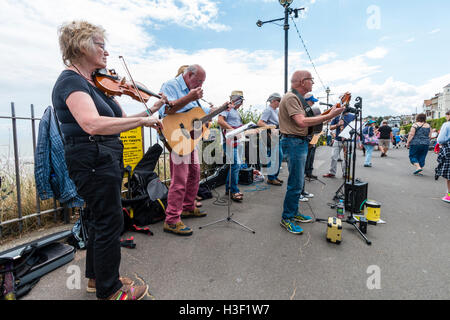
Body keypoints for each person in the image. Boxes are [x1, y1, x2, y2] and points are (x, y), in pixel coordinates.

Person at [53, 21, 167, 300]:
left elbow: (114, 120)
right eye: (101, 45)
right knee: (109, 221)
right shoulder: (71, 81)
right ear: (82, 46)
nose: (106, 52)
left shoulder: (90, 82)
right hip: (93, 158)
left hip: (100, 157)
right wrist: (143, 119)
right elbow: (91, 124)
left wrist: (149, 113)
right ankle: (111, 290)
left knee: (97, 218)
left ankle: (97, 279)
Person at [159, 64, 223, 236]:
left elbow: (197, 113)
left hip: (189, 138)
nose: (200, 85)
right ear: (189, 75)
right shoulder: (171, 85)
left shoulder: (193, 92)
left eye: (203, 82)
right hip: (176, 136)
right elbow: (165, 109)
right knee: (179, 179)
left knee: (195, 173)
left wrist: (217, 110)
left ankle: (187, 207)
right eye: (199, 81)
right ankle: (171, 220)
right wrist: (189, 97)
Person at [278, 70, 344, 234]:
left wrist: (330, 113)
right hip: (294, 142)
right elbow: (301, 122)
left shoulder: (297, 98)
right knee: (295, 183)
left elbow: (309, 119)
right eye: (311, 80)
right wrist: (330, 116)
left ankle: (293, 212)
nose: (313, 83)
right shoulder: (292, 98)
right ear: (302, 81)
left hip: (297, 142)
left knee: (298, 182)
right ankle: (287, 218)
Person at [218, 91, 246, 201]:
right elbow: (220, 121)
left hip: (237, 141)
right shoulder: (227, 108)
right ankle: (233, 190)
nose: (242, 103)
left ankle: (229, 189)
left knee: (235, 166)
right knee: (235, 165)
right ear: (237, 99)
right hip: (230, 142)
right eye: (241, 100)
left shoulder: (236, 112)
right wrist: (234, 131)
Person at [257, 93, 283, 186]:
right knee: (274, 157)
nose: (280, 102)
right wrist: (270, 128)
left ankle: (274, 176)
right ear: (273, 101)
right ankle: (271, 178)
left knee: (279, 156)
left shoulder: (276, 111)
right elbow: (260, 122)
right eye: (279, 101)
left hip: (277, 136)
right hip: (270, 137)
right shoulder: (268, 110)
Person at [322, 109, 356, 178]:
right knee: (333, 157)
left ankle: (345, 173)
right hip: (337, 140)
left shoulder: (352, 116)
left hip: (347, 140)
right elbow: (331, 127)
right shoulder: (336, 116)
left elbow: (356, 126)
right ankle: (332, 172)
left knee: (346, 158)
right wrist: (338, 124)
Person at [435, 110, 450, 203]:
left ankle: (449, 195)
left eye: (447, 115)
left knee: (449, 174)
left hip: (448, 148)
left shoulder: (447, 125)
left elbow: (440, 139)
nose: (446, 117)